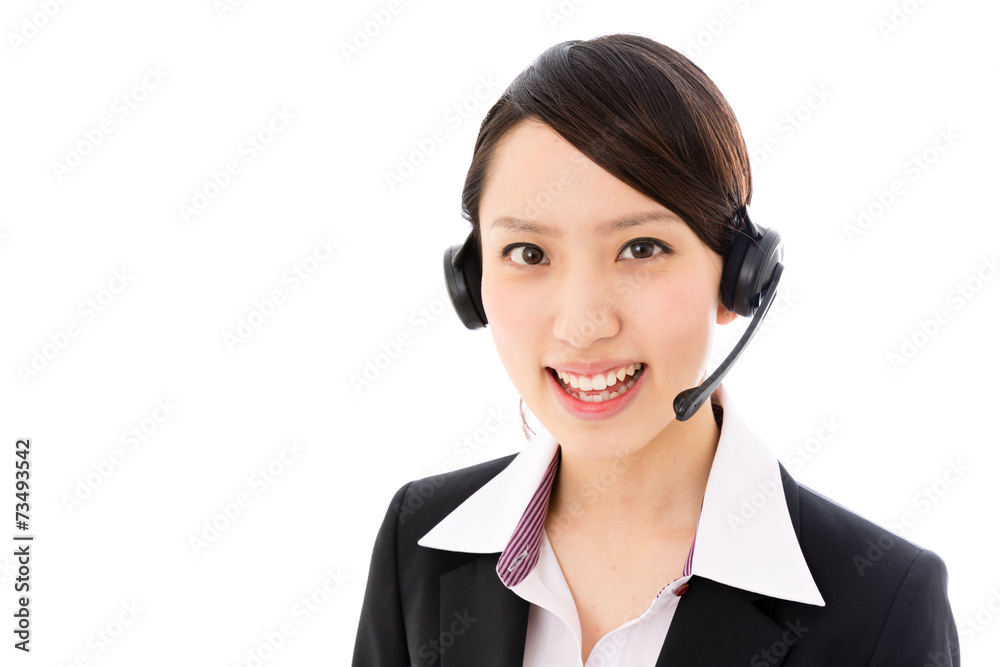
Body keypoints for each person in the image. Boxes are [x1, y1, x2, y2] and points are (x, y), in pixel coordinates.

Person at [352, 33, 960, 666]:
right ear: (471, 285)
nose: (583, 325)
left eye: (641, 248)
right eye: (529, 253)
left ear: (738, 280)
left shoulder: (882, 604)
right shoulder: (418, 543)